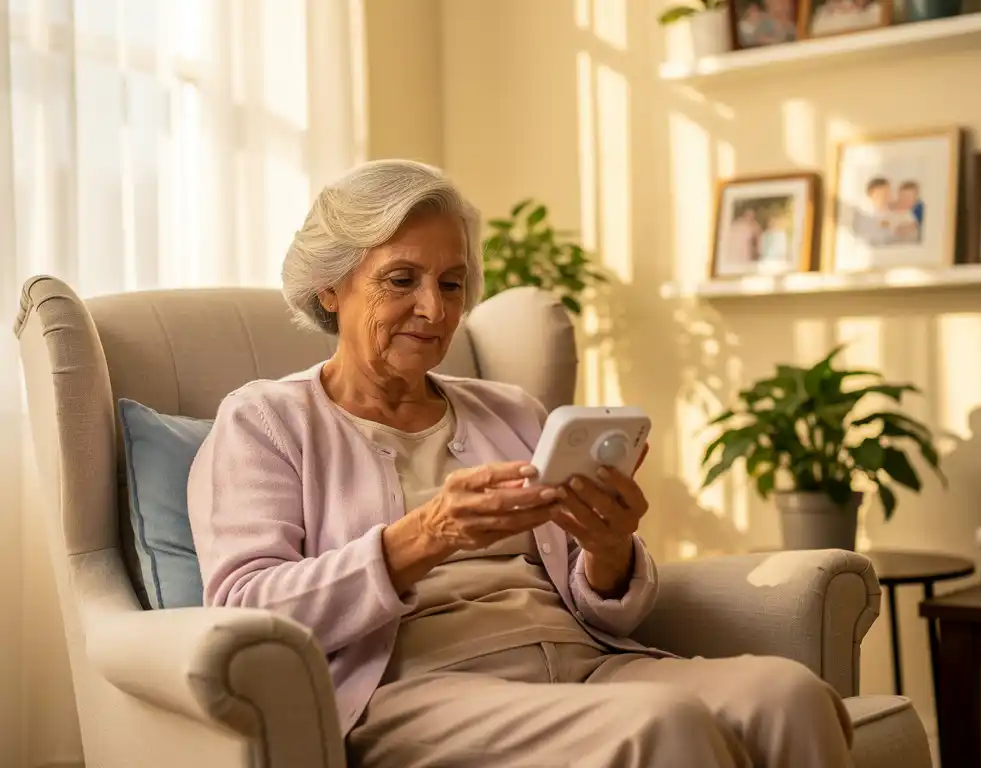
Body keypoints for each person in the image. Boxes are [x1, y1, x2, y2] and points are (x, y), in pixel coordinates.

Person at [187, 159, 855, 768]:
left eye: (451, 284)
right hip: (413, 689)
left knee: (788, 693)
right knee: (661, 723)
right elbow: (246, 606)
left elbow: (609, 612)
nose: (434, 308)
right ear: (329, 288)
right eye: (401, 280)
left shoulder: (510, 411)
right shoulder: (267, 421)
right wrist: (426, 535)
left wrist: (609, 549)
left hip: (581, 664)